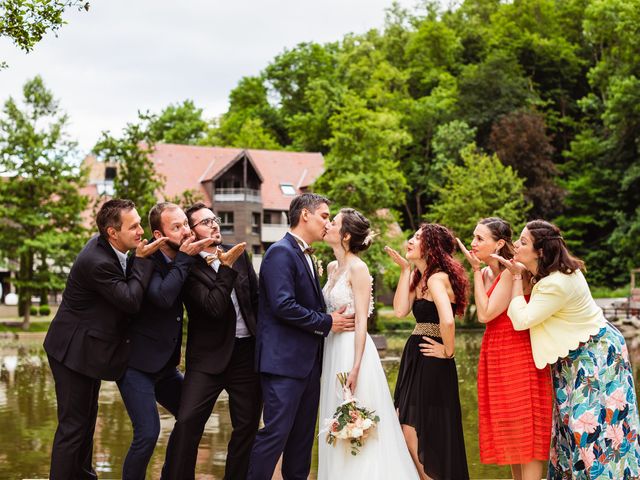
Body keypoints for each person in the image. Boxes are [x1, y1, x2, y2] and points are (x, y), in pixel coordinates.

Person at [494, 220, 640, 479]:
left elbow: (521, 319)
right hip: (572, 359)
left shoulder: (557, 283)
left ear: (540, 252)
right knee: (569, 430)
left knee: (592, 430)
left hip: (596, 357)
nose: (516, 244)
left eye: (523, 242)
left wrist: (516, 276)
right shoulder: (550, 275)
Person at [43, 199, 166, 480]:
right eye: (133, 226)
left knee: (86, 423)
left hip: (88, 349)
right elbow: (130, 300)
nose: (140, 230)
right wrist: (144, 261)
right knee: (73, 426)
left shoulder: (113, 249)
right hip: (71, 351)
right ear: (113, 233)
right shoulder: (97, 261)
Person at [247, 193, 355, 480]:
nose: (327, 222)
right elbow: (283, 305)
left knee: (301, 441)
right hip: (283, 364)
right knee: (275, 436)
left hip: (308, 364)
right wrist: (328, 320)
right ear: (304, 215)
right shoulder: (280, 252)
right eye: (323, 215)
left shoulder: (306, 254)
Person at [318, 208, 418, 479]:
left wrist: (356, 367)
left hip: (352, 349)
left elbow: (362, 320)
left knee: (358, 418)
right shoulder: (331, 267)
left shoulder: (358, 268)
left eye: (334, 222)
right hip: (332, 347)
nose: (327, 224)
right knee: (335, 417)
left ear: (346, 235)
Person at [116, 202, 213, 480]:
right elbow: (163, 297)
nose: (185, 231)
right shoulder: (145, 261)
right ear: (159, 235)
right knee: (147, 434)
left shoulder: (189, 257)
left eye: (185, 224)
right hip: (136, 365)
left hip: (166, 367)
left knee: (192, 416)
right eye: (177, 227)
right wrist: (184, 259)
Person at [162, 203, 259, 480]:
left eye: (214, 219)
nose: (214, 224)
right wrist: (225, 269)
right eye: (205, 222)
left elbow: (255, 300)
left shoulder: (238, 254)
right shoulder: (187, 266)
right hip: (207, 359)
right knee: (188, 422)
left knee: (247, 427)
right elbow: (213, 307)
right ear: (191, 233)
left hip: (246, 355)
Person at [456, 218, 551, 480]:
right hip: (497, 352)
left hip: (517, 355)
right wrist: (480, 272)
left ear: (499, 243)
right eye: (473, 237)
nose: (473, 243)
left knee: (525, 431)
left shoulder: (513, 271)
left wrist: (474, 271)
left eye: (479, 239)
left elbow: (485, 313)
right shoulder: (490, 273)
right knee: (510, 431)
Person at [385, 223, 470, 480]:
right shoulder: (420, 277)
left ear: (431, 247)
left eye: (418, 238)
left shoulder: (436, 278)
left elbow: (447, 320)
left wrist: (448, 351)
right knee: (406, 425)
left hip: (432, 357)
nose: (410, 240)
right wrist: (404, 270)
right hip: (416, 355)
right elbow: (400, 310)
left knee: (420, 429)